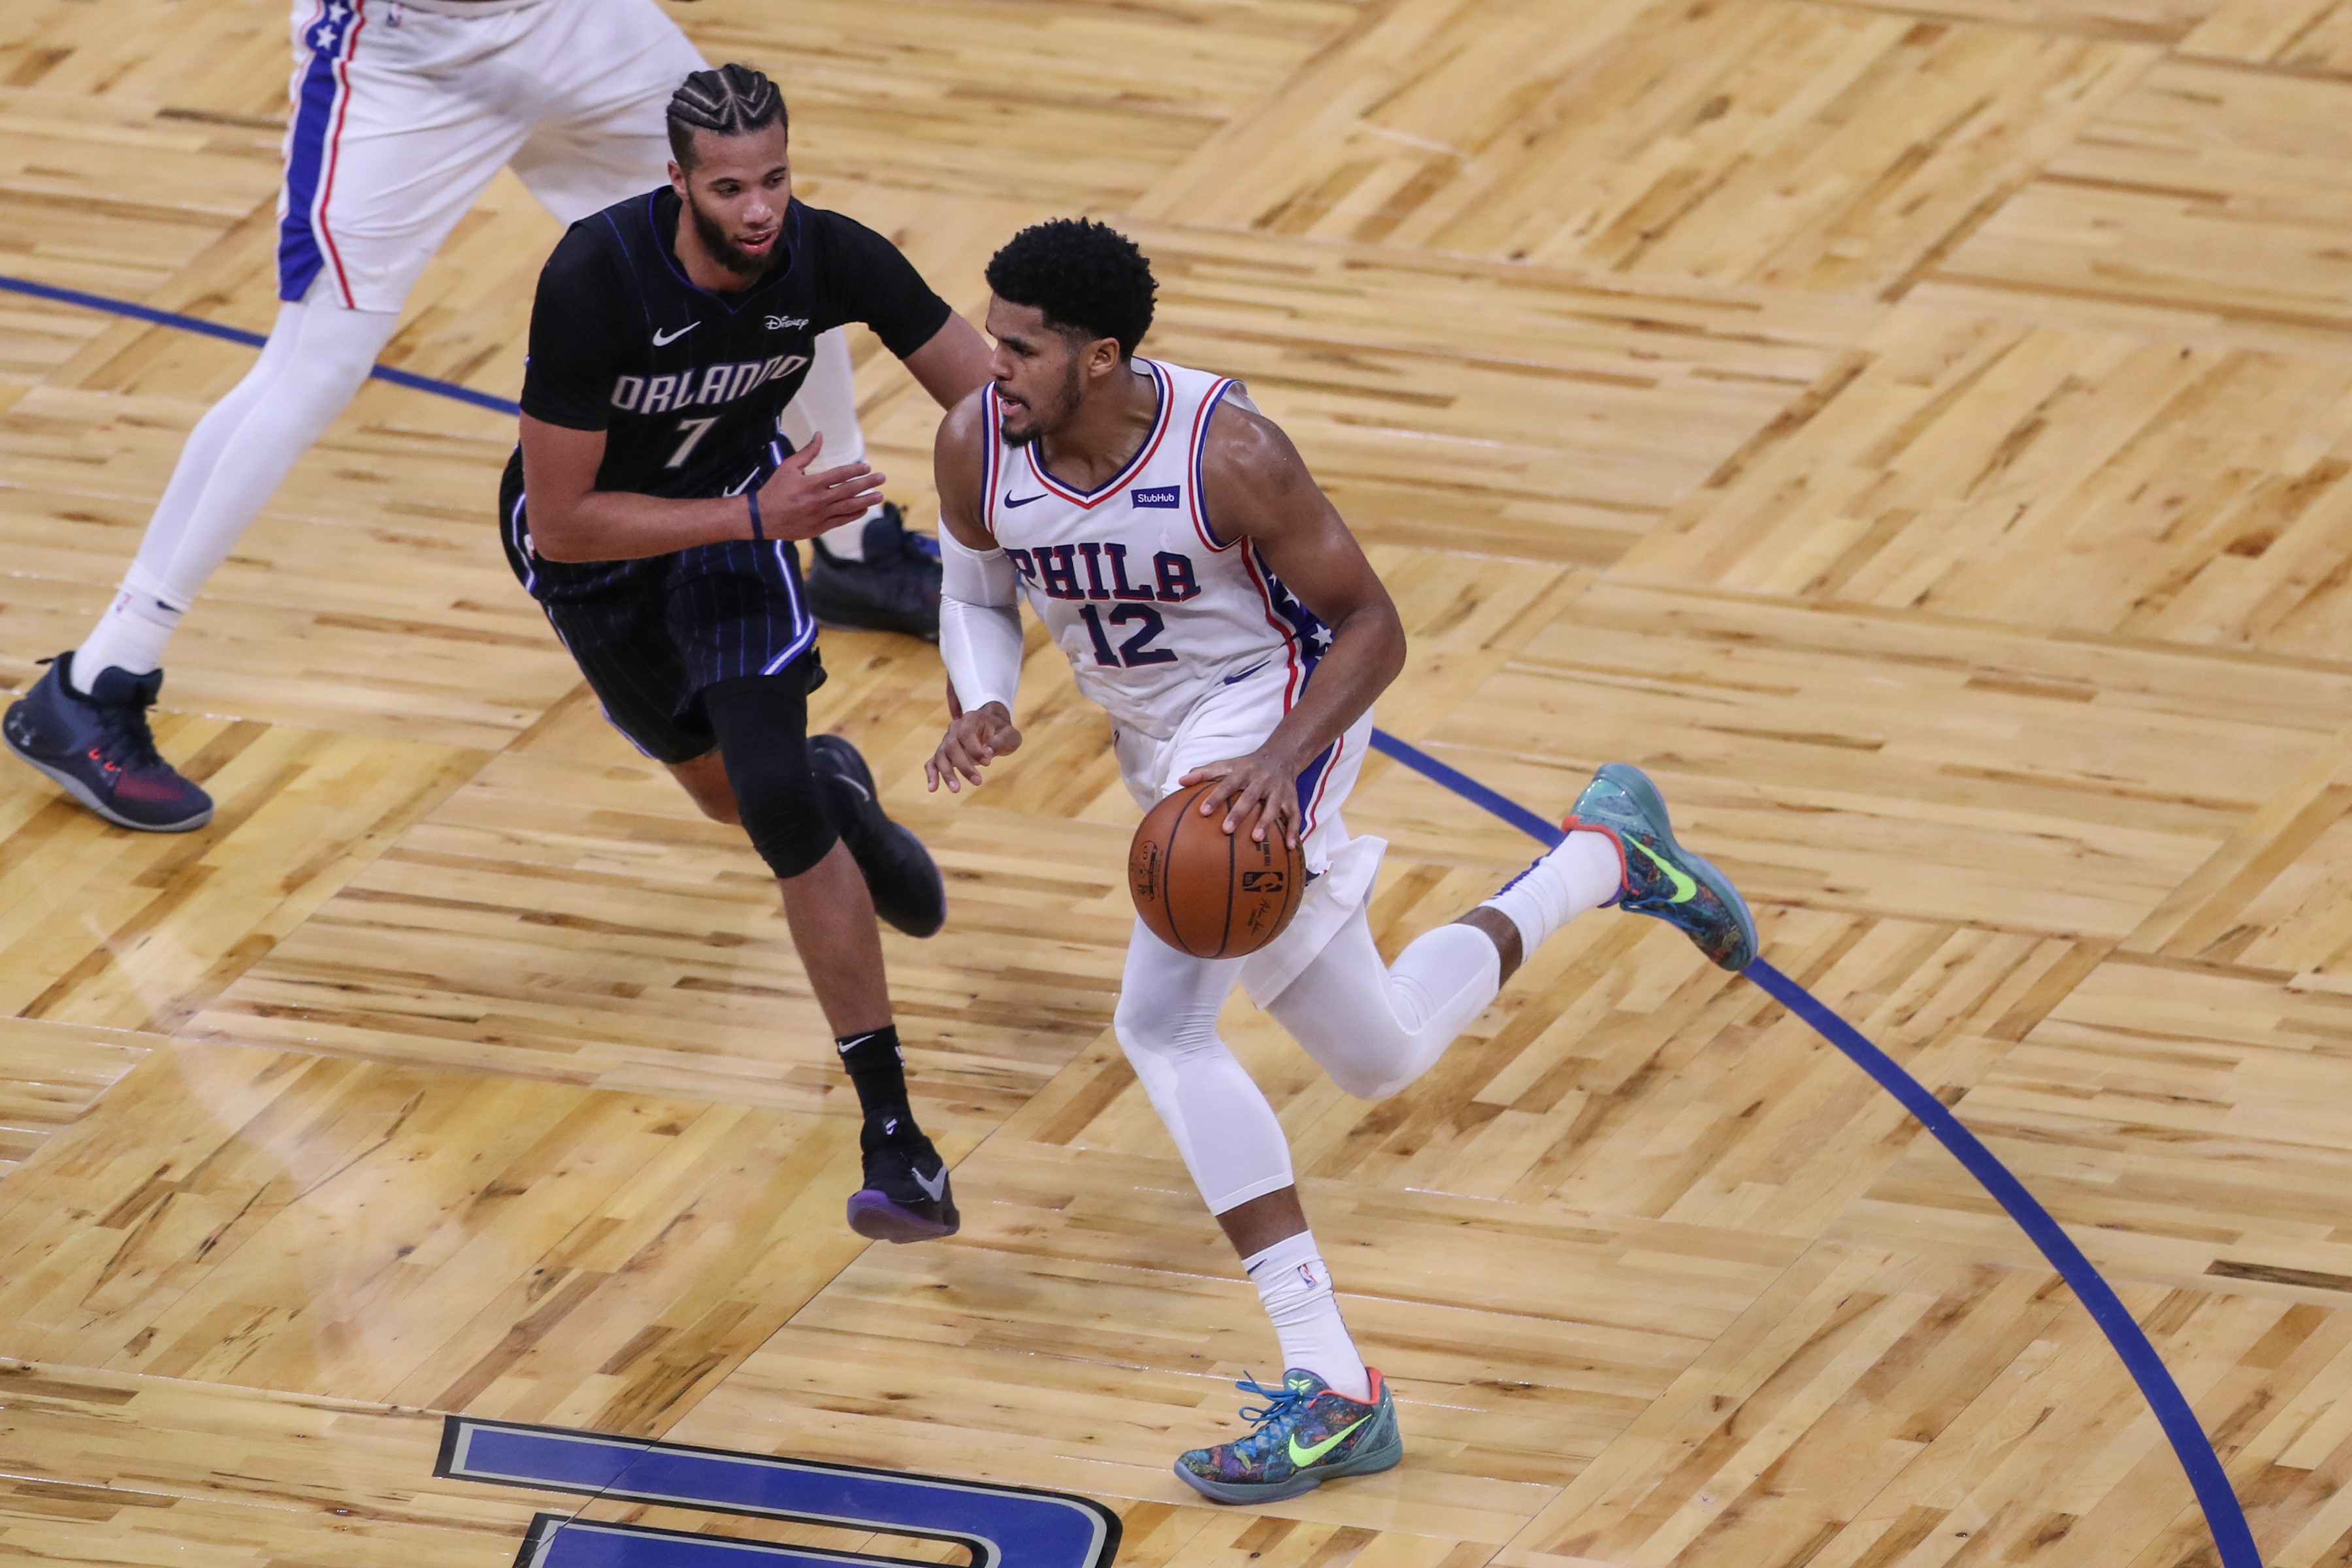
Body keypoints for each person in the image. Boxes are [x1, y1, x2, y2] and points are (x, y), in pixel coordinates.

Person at [925, 219, 1759, 1503]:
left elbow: (1373, 623)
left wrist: (1279, 764)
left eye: (1021, 347)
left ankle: (1335, 1384)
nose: (994, 365)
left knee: (1163, 1025)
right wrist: (979, 695)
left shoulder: (1230, 455)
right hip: (1161, 740)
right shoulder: (981, 441)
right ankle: (1604, 859)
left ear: (1100, 357)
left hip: (1273, 708)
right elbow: (976, 588)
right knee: (1378, 1054)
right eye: (993, 337)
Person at [4, 0, 939, 837]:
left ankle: (855, 545)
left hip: (569, 20)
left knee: (771, 253)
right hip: (408, 54)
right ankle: (98, 680)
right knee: (315, 363)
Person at [506, 64, 994, 1241]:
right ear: (676, 183)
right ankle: (843, 796)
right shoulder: (594, 274)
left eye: (775, 177)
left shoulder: (829, 256)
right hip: (608, 560)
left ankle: (897, 1139)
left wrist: (1115, 478)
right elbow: (564, 520)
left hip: (740, 531)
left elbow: (988, 401)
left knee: (771, 806)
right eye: (730, 187)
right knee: (731, 799)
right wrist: (756, 517)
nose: (761, 208)